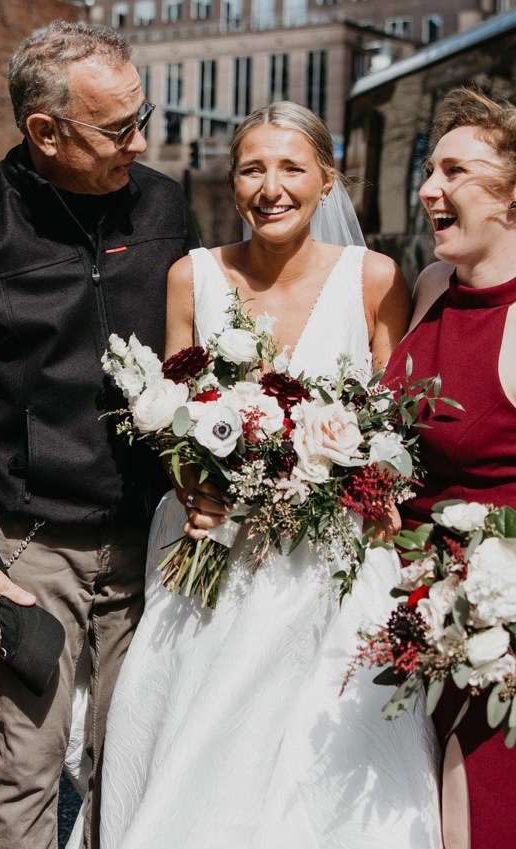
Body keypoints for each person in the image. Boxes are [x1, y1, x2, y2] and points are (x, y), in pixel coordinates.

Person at [94, 102, 443, 849]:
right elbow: (168, 414)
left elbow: (397, 424)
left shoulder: (377, 279)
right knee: (200, 746)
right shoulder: (193, 276)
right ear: (234, 180)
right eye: (253, 168)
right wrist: (193, 482)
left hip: (336, 564)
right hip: (218, 552)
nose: (271, 186)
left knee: (329, 763)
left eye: (291, 168)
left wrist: (370, 483)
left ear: (327, 181)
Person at [0, 20, 199, 849]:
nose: (142, 140)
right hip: (28, 550)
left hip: (152, 540)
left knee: (130, 757)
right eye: (118, 128)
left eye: (145, 116)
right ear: (45, 131)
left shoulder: (166, 205)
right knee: (28, 766)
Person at [385, 87, 516, 849]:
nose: (429, 189)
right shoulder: (432, 289)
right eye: (429, 171)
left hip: (488, 631)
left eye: (455, 172)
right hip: (408, 610)